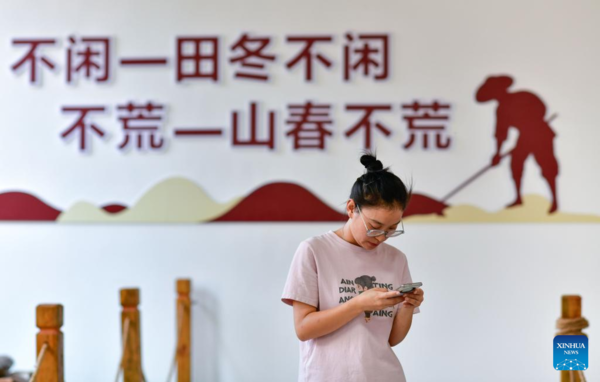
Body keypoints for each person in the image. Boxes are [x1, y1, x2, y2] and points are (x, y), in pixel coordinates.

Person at [281, 152, 425, 382]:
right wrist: (358, 304)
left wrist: (407, 306)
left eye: (391, 229)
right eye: (375, 226)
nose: (381, 237)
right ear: (351, 208)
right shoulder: (314, 250)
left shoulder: (396, 259)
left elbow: (390, 340)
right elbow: (304, 329)